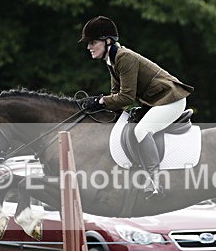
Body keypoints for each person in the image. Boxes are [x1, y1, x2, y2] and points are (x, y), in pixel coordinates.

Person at [79, 15, 194, 199]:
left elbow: (126, 97)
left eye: (93, 42)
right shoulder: (112, 60)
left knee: (141, 130)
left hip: (171, 99)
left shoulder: (125, 58)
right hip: (156, 101)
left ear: (108, 41)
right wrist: (100, 106)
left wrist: (100, 101)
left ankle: (155, 182)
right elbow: (116, 95)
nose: (89, 47)